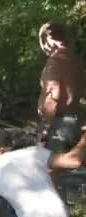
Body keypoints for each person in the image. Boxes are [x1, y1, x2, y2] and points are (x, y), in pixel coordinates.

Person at [37, 22, 85, 152]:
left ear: (46, 39)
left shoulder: (55, 62)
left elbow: (53, 96)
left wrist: (46, 129)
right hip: (75, 121)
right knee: (70, 168)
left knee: (52, 168)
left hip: (58, 125)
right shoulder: (77, 60)